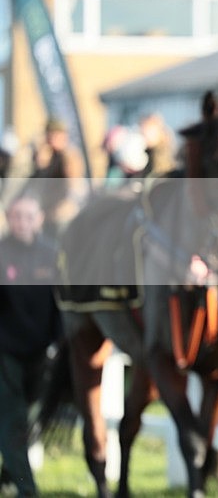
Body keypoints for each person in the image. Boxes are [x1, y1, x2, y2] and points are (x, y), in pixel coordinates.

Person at [0, 194, 62, 497]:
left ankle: (9, 473)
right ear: (9, 218)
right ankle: (28, 490)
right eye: (16, 216)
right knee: (11, 418)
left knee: (28, 417)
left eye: (28, 216)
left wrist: (57, 344)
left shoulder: (52, 255)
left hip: (41, 352)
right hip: (5, 351)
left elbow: (61, 304)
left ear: (38, 219)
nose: (22, 222)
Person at [27, 117, 87, 239]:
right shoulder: (48, 155)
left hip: (64, 213)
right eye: (49, 136)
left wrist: (63, 208)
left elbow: (74, 185)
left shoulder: (69, 156)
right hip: (47, 212)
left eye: (55, 136)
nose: (51, 140)